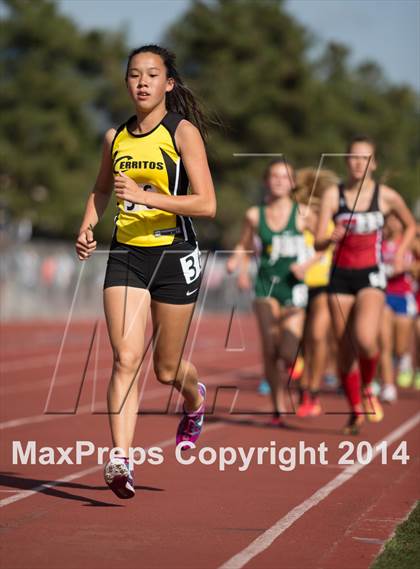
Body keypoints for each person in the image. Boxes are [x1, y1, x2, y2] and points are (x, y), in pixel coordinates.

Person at [75, 45, 216, 499]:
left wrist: (146, 196)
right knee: (125, 358)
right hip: (127, 255)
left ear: (168, 84)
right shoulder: (114, 136)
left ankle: (195, 401)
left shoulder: (182, 132)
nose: (142, 82)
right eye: (134, 74)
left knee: (167, 369)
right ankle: (120, 458)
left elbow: (207, 204)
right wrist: (86, 226)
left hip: (175, 255)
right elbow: (100, 191)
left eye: (152, 75)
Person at [315, 135, 416, 434]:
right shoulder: (334, 196)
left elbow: (411, 225)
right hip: (340, 277)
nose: (358, 163)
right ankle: (356, 409)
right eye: (354, 158)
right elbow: (319, 241)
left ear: (374, 164)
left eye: (365, 158)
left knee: (366, 339)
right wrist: (329, 236)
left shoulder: (385, 196)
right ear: (346, 160)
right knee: (344, 350)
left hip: (371, 275)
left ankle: (369, 386)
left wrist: (399, 254)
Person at [227, 159, 310, 426]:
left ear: (293, 183)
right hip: (265, 285)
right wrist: (238, 266)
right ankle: (278, 408)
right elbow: (243, 245)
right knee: (269, 347)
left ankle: (298, 365)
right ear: (266, 181)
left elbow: (324, 244)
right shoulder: (254, 214)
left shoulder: (304, 214)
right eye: (274, 176)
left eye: (284, 177)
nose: (278, 181)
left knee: (287, 349)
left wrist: (308, 264)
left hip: (294, 287)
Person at [294, 168, 338, 417]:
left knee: (318, 337)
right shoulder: (300, 215)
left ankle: (312, 390)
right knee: (299, 341)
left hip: (322, 282)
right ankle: (303, 383)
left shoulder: (331, 216)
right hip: (298, 284)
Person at [379, 213, 417, 402]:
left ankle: (404, 358)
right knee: (384, 343)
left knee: (400, 347)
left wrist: (407, 268)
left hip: (403, 297)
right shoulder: (380, 243)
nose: (392, 223)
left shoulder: (409, 243)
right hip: (384, 296)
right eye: (390, 219)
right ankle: (388, 385)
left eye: (396, 220)